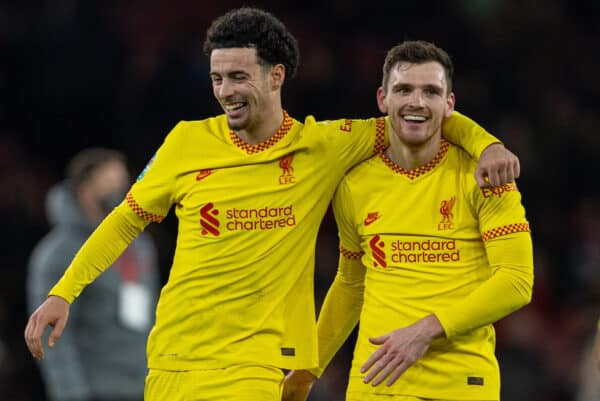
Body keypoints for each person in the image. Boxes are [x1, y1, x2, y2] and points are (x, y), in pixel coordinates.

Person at [25, 9, 520, 401]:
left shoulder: (323, 147)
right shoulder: (185, 142)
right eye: (217, 78)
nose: (225, 92)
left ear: (276, 76)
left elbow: (418, 115)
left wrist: (488, 145)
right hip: (171, 360)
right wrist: (64, 292)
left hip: (253, 367)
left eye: (238, 77)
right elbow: (123, 223)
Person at [283, 41, 534, 401]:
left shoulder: (484, 175)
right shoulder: (355, 183)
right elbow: (351, 285)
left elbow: (516, 282)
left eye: (430, 91)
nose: (416, 102)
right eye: (404, 89)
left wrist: (426, 330)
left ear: (449, 105)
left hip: (460, 384)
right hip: (374, 384)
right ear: (383, 99)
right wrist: (309, 368)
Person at [27, 148, 159, 401]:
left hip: (142, 384)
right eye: (109, 184)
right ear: (85, 191)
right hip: (94, 387)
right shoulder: (58, 252)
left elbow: (152, 315)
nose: (120, 194)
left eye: (122, 184)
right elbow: (51, 336)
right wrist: (70, 393)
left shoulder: (141, 246)